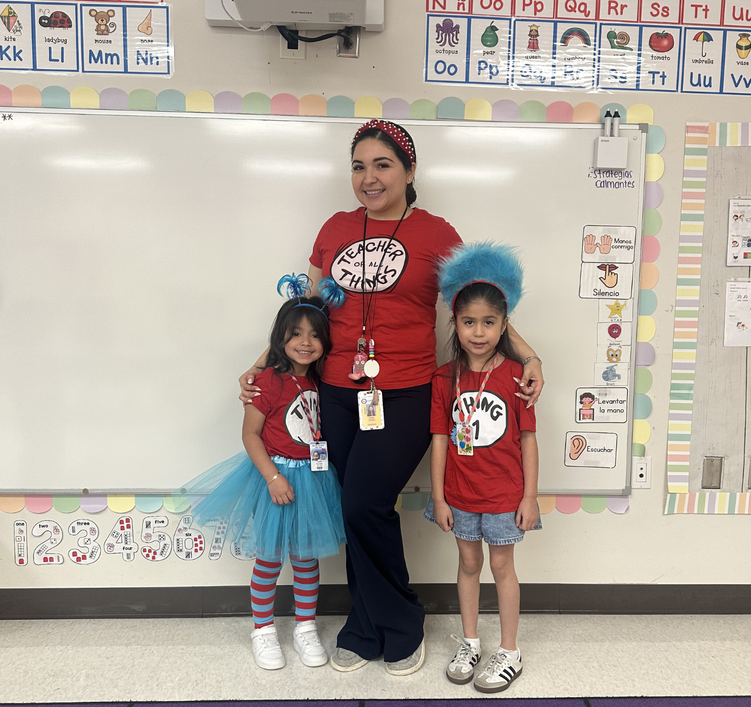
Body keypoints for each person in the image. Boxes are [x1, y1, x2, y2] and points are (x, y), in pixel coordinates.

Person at [239, 120, 545, 677]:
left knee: (364, 503)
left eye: (382, 165)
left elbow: (483, 302)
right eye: (359, 166)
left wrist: (528, 355)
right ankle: (366, 625)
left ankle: (399, 622)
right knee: (357, 508)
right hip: (334, 389)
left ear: (409, 171)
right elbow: (303, 312)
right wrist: (263, 363)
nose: (369, 177)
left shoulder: (435, 233)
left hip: (404, 390)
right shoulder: (333, 228)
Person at [187, 278, 345, 671]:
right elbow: (250, 434)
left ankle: (305, 628)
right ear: (280, 338)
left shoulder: (322, 380)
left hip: (315, 479)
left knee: (307, 559)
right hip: (276, 478)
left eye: (314, 336)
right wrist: (274, 478)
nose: (305, 342)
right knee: (270, 560)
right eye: (295, 334)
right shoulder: (267, 382)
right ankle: (263, 630)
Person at [425, 242, 540, 694]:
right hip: (459, 494)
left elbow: (528, 440)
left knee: (502, 566)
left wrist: (530, 496)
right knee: (468, 563)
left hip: (505, 496)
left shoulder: (518, 377)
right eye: (469, 322)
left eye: (489, 322)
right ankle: (471, 642)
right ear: (455, 322)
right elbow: (439, 440)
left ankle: (509, 651)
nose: (478, 332)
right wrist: (438, 497)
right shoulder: (443, 379)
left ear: (505, 324)